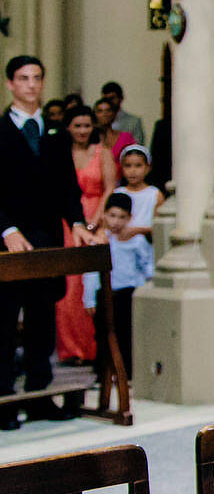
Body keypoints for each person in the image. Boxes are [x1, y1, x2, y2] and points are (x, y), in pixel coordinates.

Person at [1, 56, 99, 430]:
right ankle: (4, 401)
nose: (31, 85)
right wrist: (7, 229)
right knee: (5, 322)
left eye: (37, 78)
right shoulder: (1, 130)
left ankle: (41, 397)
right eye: (23, 78)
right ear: (10, 84)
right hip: (7, 239)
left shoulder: (55, 134)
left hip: (46, 238)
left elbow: (67, 188)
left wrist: (77, 222)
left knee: (43, 316)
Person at [55, 105, 116, 365]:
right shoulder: (61, 153)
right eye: (77, 126)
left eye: (87, 126)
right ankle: (71, 350)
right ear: (68, 127)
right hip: (68, 222)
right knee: (68, 289)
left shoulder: (101, 153)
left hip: (97, 216)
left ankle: (94, 349)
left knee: (92, 285)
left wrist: (96, 218)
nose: (82, 131)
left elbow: (110, 187)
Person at [82, 192, 153, 376]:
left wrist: (146, 289)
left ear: (129, 218)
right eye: (112, 216)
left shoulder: (135, 241)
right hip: (104, 293)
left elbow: (147, 267)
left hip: (127, 293)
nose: (116, 222)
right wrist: (89, 299)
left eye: (122, 217)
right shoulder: (98, 242)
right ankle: (103, 372)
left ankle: (126, 371)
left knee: (125, 333)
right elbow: (90, 273)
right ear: (104, 215)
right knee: (102, 334)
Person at [116, 145, 163, 245]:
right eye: (128, 166)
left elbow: (158, 228)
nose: (133, 171)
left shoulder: (154, 194)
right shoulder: (118, 193)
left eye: (138, 165)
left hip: (146, 245)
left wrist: (137, 231)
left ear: (148, 168)